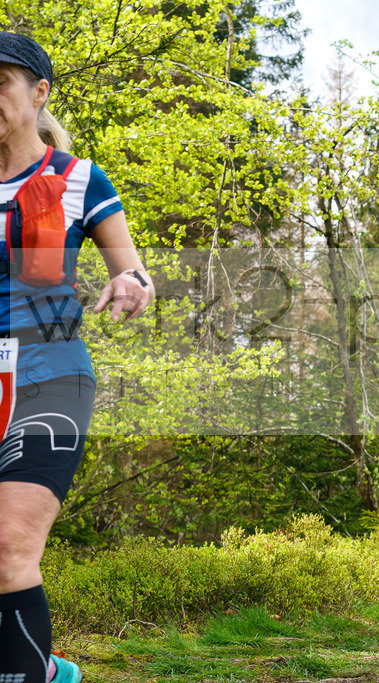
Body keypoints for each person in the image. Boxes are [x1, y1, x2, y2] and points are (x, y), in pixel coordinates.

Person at [0, 33, 154, 683]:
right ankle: (46, 667)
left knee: (9, 546)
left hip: (49, 376)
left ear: (38, 94)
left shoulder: (78, 179)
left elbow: (138, 273)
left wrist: (130, 284)